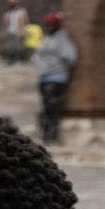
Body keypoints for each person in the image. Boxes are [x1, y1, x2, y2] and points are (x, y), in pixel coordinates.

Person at [35, 12, 77, 145]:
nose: (49, 26)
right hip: (43, 77)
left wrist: (55, 65)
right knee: (46, 107)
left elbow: (70, 57)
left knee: (54, 107)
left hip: (56, 77)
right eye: (47, 24)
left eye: (51, 24)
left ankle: (52, 135)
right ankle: (45, 134)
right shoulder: (46, 38)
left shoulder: (62, 39)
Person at [4, 0, 29, 64]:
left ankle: (23, 59)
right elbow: (6, 23)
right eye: (10, 3)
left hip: (19, 30)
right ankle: (12, 59)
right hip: (10, 31)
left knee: (20, 46)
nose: (11, 4)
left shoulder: (22, 11)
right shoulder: (8, 12)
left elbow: (26, 20)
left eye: (12, 2)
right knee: (11, 46)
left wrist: (25, 29)